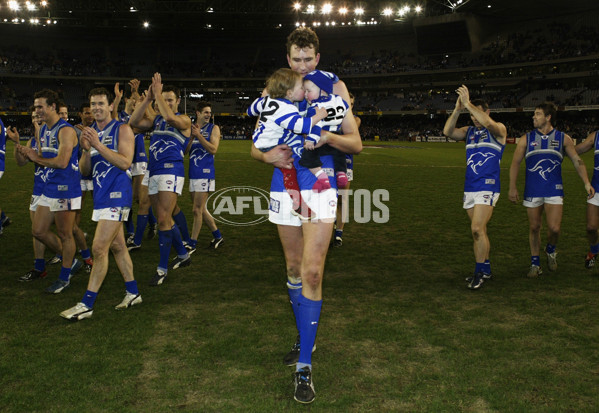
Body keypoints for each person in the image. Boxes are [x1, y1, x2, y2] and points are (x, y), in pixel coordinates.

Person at [250, 27, 362, 404]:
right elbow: (255, 147)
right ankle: (303, 334)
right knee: (294, 269)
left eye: (308, 59)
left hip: (321, 182)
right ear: (288, 59)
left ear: (318, 57)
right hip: (283, 184)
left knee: (313, 271)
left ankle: (304, 367)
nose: (302, 65)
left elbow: (355, 142)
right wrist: (268, 156)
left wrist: (326, 138)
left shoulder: (335, 91)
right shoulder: (275, 91)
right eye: (295, 59)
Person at [60, 87, 141, 321]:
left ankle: (87, 303)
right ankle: (133, 292)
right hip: (101, 197)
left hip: (118, 195)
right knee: (117, 247)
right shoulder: (90, 132)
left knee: (98, 249)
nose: (96, 108)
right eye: (93, 104)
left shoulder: (122, 129)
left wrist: (98, 144)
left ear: (110, 106)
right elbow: (85, 171)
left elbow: (125, 163)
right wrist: (86, 151)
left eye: (100, 104)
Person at [509, 102, 594, 277]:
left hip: (554, 189)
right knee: (534, 227)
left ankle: (550, 249)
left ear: (548, 117)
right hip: (532, 189)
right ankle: (535, 264)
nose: (534, 117)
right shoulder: (526, 138)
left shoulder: (564, 138)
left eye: (538, 114)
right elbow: (515, 163)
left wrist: (586, 182)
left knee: (554, 229)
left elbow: (577, 161)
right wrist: (512, 186)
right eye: (534, 114)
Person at [18, 89, 83, 293]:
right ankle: (71, 262)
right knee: (38, 231)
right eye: (35, 107)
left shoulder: (66, 130)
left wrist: (35, 157)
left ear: (52, 107)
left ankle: (64, 277)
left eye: (40, 107)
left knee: (65, 234)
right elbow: (41, 156)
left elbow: (63, 162)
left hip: (66, 189)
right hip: (49, 187)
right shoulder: (45, 129)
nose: (37, 111)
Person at [129, 73, 192, 286]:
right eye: (163, 99)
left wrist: (157, 98)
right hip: (153, 171)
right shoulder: (156, 120)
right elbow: (133, 121)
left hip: (171, 171)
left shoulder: (184, 120)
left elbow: (171, 118)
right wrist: (147, 99)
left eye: (170, 100)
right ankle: (183, 255)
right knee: (163, 217)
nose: (166, 103)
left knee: (164, 218)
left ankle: (162, 268)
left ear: (178, 102)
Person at [443, 85, 507, 289]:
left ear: (486, 112)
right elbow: (448, 132)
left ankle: (479, 272)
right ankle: (485, 269)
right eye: (470, 115)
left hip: (488, 186)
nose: (474, 118)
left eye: (476, 114)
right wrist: (457, 110)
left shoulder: (499, 130)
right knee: (479, 231)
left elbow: (488, 123)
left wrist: (468, 104)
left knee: (477, 228)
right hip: (470, 187)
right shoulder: (469, 132)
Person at [248, 68, 330, 197]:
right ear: (290, 93)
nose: (304, 90)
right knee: (291, 164)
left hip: (261, 140)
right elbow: (302, 126)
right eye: (301, 88)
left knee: (299, 154)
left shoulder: (266, 101)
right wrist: (319, 116)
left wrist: (262, 101)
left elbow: (250, 111)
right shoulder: (286, 108)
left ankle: (319, 179)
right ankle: (298, 198)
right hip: (271, 144)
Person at [8, 110, 63, 281]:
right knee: (37, 231)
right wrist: (17, 144)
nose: (36, 121)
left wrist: (39, 133)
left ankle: (73, 257)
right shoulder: (32, 140)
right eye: (33, 118)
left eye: (38, 117)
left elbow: (45, 155)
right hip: (38, 190)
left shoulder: (58, 136)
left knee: (66, 230)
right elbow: (21, 162)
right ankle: (40, 267)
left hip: (57, 189)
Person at [186, 100, 224, 251]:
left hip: (205, 173)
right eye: (206, 112)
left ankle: (192, 243)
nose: (209, 115)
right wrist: (191, 137)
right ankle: (218, 236)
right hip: (193, 173)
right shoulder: (191, 129)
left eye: (209, 112)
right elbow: (185, 151)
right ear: (198, 113)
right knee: (201, 209)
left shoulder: (214, 128)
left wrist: (199, 136)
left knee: (196, 210)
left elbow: (213, 149)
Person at [333, 92, 360, 247]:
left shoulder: (355, 120)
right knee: (326, 198)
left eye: (350, 102)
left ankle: (338, 233)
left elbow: (347, 131)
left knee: (341, 199)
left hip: (346, 162)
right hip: (329, 162)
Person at [574, 129, 599, 268]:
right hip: (596, 189)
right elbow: (578, 149)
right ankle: (595, 250)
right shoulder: (596, 136)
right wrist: (561, 148)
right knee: (591, 227)